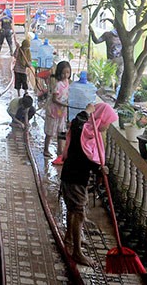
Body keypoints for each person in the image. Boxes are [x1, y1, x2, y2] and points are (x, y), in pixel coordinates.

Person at [60, 102, 118, 267]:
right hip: (73, 178)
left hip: (76, 177)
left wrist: (100, 169)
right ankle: (77, 252)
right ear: (100, 118)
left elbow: (88, 158)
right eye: (107, 122)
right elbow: (76, 123)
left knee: (74, 209)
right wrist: (87, 111)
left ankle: (70, 237)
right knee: (78, 212)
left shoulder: (91, 135)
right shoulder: (83, 131)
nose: (107, 126)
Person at [43, 61, 71, 158]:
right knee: (50, 131)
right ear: (59, 73)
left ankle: (60, 150)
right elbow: (54, 99)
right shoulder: (58, 85)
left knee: (61, 130)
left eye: (67, 73)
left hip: (62, 112)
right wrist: (64, 104)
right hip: (54, 111)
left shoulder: (67, 82)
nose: (65, 75)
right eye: (63, 73)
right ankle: (46, 149)